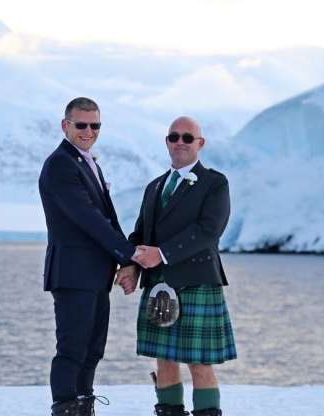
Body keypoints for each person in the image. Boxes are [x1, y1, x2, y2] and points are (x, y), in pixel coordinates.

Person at [38, 97, 158, 416]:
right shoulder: (60, 164)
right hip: (73, 275)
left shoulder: (86, 161)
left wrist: (127, 261)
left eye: (95, 125)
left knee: (92, 350)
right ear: (65, 125)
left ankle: (83, 405)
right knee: (71, 350)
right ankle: (66, 409)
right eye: (81, 125)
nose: (89, 131)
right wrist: (130, 252)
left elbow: (106, 217)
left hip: (95, 275)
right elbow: (86, 217)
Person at [115, 116, 236, 416]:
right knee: (164, 360)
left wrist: (162, 254)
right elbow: (141, 233)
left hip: (197, 282)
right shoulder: (154, 187)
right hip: (159, 285)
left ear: (200, 143)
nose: (180, 142)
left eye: (187, 137)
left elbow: (209, 230)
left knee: (199, 362)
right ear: (167, 142)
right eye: (174, 137)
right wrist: (131, 266)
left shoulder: (214, 183)